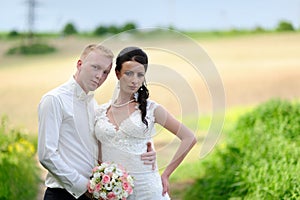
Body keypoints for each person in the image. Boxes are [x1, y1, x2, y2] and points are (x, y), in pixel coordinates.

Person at [38, 44, 157, 200]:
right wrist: (82, 186)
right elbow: (47, 154)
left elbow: (109, 141)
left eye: (105, 72)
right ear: (79, 64)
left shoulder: (93, 105)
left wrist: (146, 150)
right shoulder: (54, 100)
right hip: (63, 194)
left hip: (92, 194)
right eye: (95, 67)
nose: (99, 76)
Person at [94, 46, 197, 199]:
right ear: (117, 73)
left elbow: (189, 137)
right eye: (129, 73)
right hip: (114, 192)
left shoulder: (151, 109)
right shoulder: (100, 112)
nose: (134, 80)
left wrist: (166, 174)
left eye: (140, 75)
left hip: (147, 189)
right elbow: (98, 154)